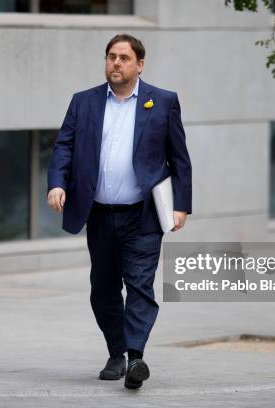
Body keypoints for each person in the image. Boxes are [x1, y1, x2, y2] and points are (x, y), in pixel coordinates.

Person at [47, 33, 192, 389]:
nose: (116, 63)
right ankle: (117, 352)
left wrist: (182, 206)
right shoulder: (84, 102)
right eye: (111, 56)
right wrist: (57, 183)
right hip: (99, 213)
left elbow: (180, 159)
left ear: (139, 64)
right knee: (103, 289)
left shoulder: (163, 102)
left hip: (142, 215)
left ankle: (136, 357)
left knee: (140, 285)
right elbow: (63, 146)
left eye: (124, 58)